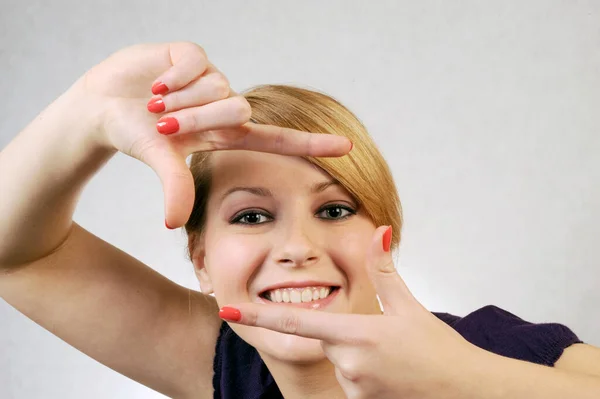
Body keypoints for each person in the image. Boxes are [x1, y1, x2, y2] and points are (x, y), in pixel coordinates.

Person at [1, 42, 599, 399]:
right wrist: (86, 111)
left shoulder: (490, 349)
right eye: (253, 215)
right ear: (203, 261)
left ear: (384, 237)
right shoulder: (233, 367)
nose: (296, 246)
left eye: (335, 209)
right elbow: (15, 252)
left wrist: (473, 381)